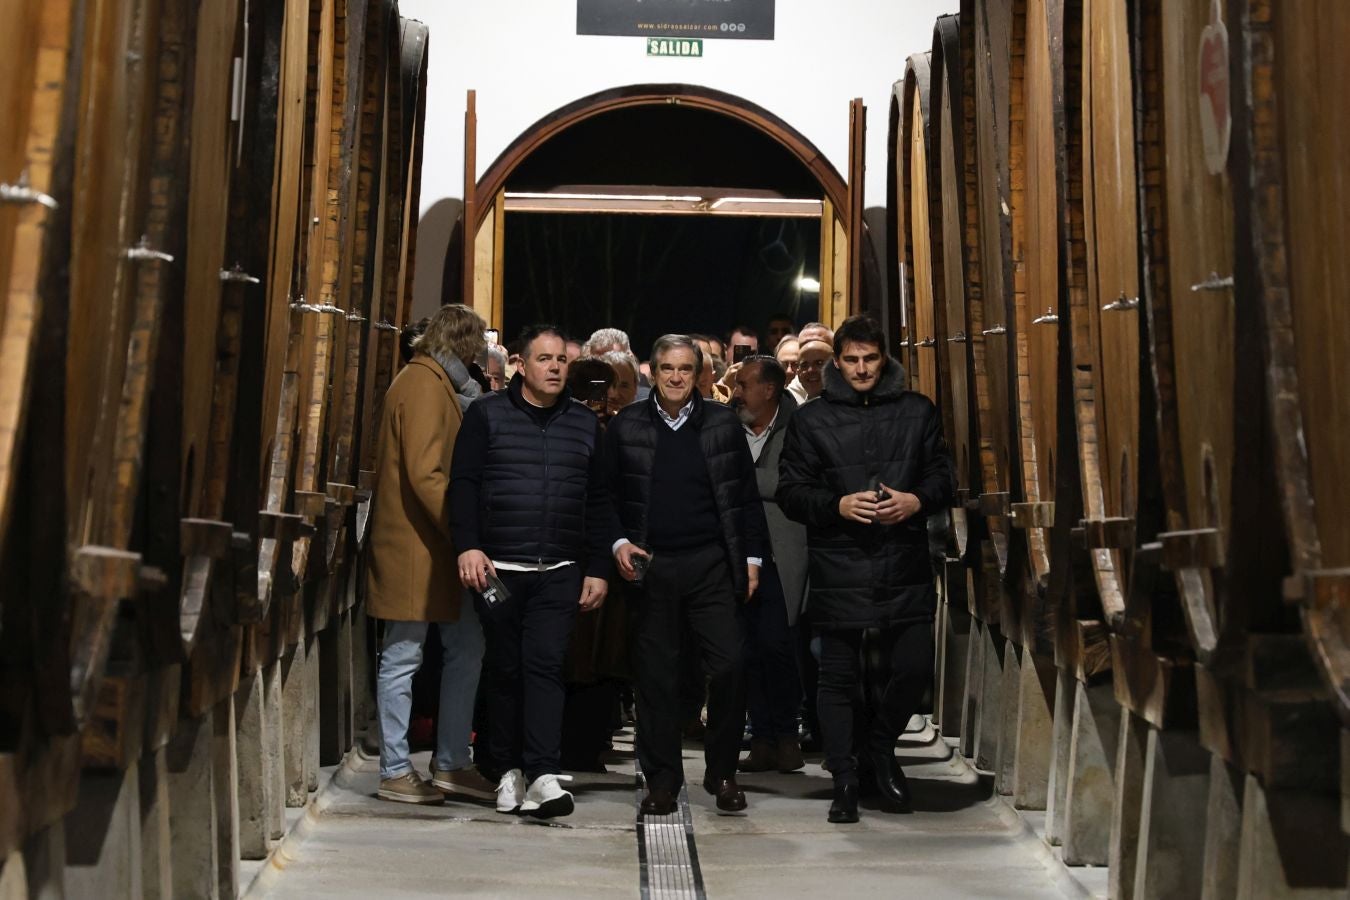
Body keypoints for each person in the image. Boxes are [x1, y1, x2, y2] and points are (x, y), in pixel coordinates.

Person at [777, 315, 954, 824]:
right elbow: (791, 490)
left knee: (914, 666)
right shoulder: (811, 420)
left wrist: (915, 500)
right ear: (837, 362)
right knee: (835, 677)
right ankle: (844, 781)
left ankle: (879, 748)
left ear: (885, 359)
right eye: (851, 360)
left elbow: (943, 473)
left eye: (869, 359)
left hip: (902, 560)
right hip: (840, 562)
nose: (860, 369)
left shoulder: (917, 412)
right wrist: (837, 505)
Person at [449, 325, 616, 819]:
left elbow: (602, 500)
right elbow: (463, 484)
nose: (555, 368)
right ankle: (506, 770)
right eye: (544, 359)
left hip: (560, 567)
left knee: (545, 664)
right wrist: (469, 546)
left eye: (561, 360)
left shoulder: (585, 424)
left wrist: (599, 567)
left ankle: (542, 771)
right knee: (505, 667)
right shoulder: (486, 415)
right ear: (521, 364)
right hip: (498, 567)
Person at [606, 334, 768, 816]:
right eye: (666, 369)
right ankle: (662, 781)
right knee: (656, 678)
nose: (675, 378)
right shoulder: (627, 425)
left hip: (711, 563)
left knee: (729, 666)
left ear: (698, 374)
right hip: (650, 565)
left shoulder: (721, 423)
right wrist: (617, 543)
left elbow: (744, 496)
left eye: (684, 369)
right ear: (651, 373)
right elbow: (605, 497)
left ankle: (721, 772)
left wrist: (753, 558)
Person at [368, 304, 496, 805]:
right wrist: (466, 531)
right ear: (464, 341)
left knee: (467, 647)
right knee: (403, 655)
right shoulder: (424, 383)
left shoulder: (436, 380)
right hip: (418, 546)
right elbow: (426, 473)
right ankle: (396, 769)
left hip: (435, 547)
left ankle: (451, 762)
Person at [729, 357, 808, 774]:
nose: (735, 391)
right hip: (736, 553)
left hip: (782, 555)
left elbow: (795, 483)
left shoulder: (800, 426)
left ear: (770, 390)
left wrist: (740, 481)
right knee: (746, 650)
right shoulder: (727, 426)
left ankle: (786, 735)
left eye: (743, 384)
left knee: (779, 648)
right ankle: (760, 738)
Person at [787, 338, 832, 405]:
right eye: (804, 365)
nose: (811, 370)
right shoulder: (796, 412)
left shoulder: (849, 409)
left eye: (819, 363)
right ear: (798, 373)